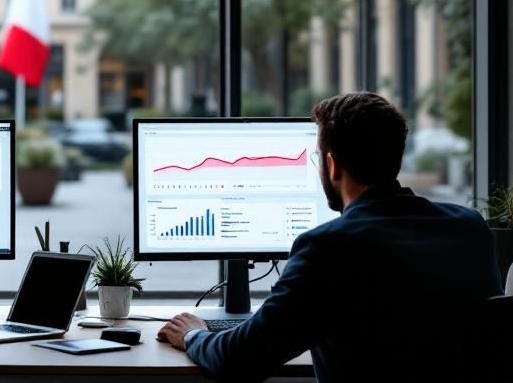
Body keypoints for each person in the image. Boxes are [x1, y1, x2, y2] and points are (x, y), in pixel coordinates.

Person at [158, 92, 502, 382]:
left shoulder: (329, 248)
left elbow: (239, 360)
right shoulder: (469, 227)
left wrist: (193, 334)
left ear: (332, 165)